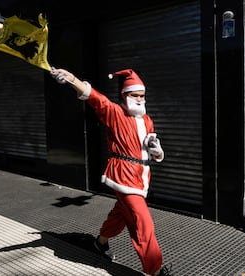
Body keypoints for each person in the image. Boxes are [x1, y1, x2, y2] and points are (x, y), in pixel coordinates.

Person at [51, 67, 172, 276]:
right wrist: (72, 80)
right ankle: (155, 270)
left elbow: (151, 144)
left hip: (141, 177)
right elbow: (95, 98)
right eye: (135, 95)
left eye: (142, 96)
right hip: (123, 176)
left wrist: (157, 151)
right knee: (142, 221)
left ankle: (100, 243)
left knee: (120, 214)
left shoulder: (147, 120)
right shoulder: (115, 113)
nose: (140, 99)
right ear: (125, 95)